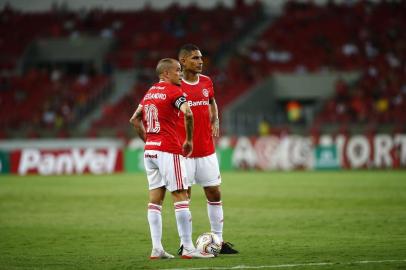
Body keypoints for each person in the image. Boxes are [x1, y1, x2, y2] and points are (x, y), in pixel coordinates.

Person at [129, 58, 214, 259]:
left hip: (150, 152)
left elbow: (134, 119)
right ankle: (188, 248)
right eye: (177, 71)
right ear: (165, 73)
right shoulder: (174, 91)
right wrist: (189, 142)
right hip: (169, 150)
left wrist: (149, 141)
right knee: (181, 196)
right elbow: (188, 114)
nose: (181, 74)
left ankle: (156, 248)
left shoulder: (150, 92)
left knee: (155, 201)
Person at [176, 44, 238, 254]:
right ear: (183, 61)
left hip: (207, 150)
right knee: (184, 197)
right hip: (184, 152)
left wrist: (216, 119)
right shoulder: (175, 85)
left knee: (214, 192)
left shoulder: (206, 82)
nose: (200, 61)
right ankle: (185, 244)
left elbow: (212, 101)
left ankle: (218, 241)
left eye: (201, 58)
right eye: (195, 58)